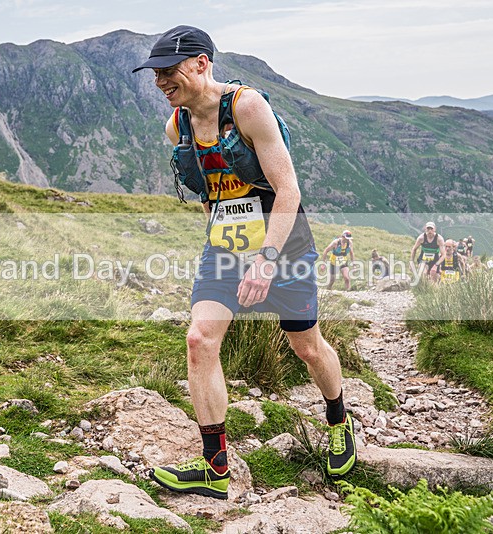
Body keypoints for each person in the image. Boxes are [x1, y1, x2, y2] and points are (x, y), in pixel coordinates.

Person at [133, 25, 356, 499]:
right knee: (199, 340)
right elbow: (210, 193)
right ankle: (215, 469)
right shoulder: (177, 127)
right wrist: (225, 243)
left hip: (284, 247)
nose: (160, 81)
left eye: (168, 70)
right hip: (226, 250)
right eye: (155, 74)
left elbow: (288, 190)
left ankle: (339, 420)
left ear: (201, 63)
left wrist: (266, 259)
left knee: (307, 348)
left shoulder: (247, 107)